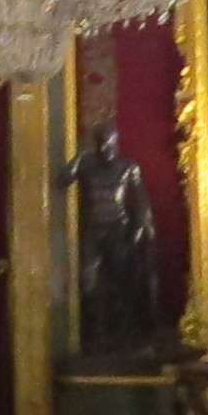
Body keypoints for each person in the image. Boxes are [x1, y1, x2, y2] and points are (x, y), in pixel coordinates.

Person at [58, 123, 164, 356]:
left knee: (120, 284)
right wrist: (79, 155)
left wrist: (139, 228)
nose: (105, 148)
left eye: (109, 143)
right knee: (89, 283)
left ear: (116, 143)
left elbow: (141, 200)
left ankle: (123, 337)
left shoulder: (127, 166)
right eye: (101, 144)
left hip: (118, 231)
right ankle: (94, 337)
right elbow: (62, 180)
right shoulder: (86, 164)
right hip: (93, 232)